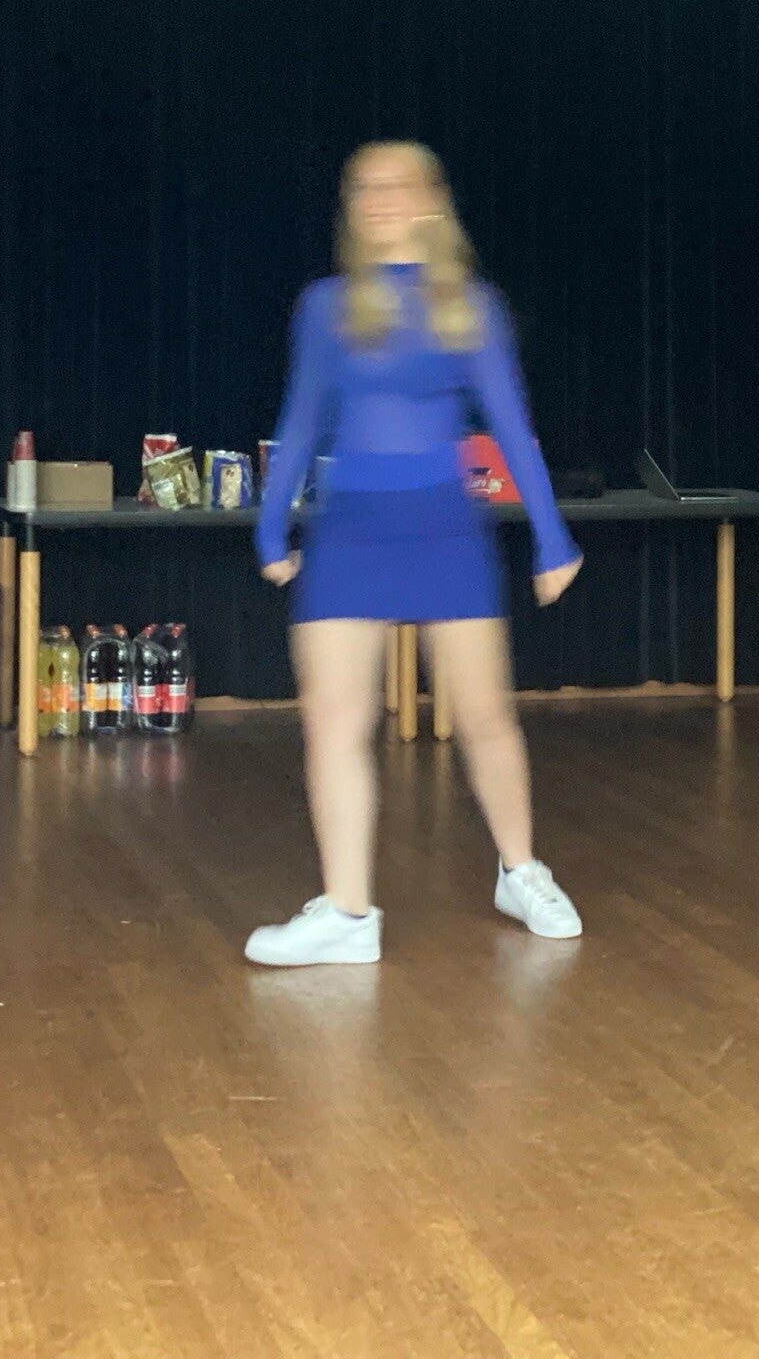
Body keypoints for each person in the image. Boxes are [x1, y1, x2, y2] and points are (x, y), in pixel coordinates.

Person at [246, 141, 584, 966]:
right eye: (365, 186)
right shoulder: (326, 307)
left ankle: (521, 871)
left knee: (485, 718)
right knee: (334, 722)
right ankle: (347, 913)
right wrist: (269, 526)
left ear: (434, 199)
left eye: (399, 185)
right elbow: (300, 419)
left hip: (446, 526)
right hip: (349, 529)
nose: (381, 198)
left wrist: (553, 536)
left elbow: (511, 424)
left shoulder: (471, 306)